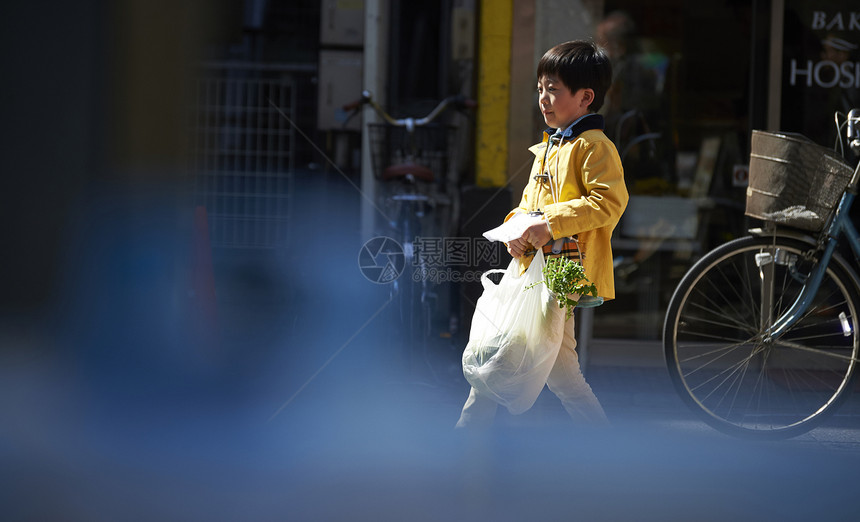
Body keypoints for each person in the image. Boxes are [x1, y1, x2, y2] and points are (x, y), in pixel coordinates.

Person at [456, 40, 628, 428]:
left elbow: (609, 203)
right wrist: (515, 231)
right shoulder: (551, 145)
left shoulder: (593, 146)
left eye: (553, 89)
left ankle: (463, 443)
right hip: (536, 270)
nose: (544, 98)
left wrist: (547, 224)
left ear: (586, 97)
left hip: (562, 272)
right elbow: (528, 205)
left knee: (504, 355)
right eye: (540, 89)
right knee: (553, 369)